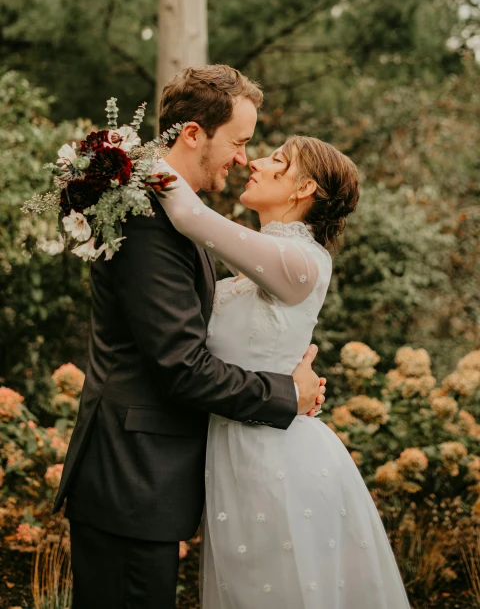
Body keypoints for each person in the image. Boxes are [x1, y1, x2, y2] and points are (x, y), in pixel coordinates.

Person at [53, 65, 326, 609]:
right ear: (194, 134)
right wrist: (284, 395)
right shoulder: (150, 221)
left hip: (146, 481)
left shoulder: (178, 216)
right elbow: (181, 366)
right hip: (132, 480)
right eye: (240, 142)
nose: (245, 158)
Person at [156, 134, 411, 608]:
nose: (254, 161)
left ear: (303, 188)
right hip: (235, 448)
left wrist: (126, 155)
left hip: (277, 460)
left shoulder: (302, 261)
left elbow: (189, 215)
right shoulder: (256, 266)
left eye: (276, 160)